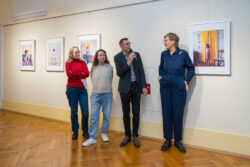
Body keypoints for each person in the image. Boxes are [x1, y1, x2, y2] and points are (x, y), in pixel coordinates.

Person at [159, 33, 195, 153]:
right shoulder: (163, 54)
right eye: (164, 40)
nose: (164, 43)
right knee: (166, 113)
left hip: (178, 88)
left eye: (166, 40)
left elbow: (191, 68)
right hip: (165, 88)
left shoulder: (183, 54)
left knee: (178, 114)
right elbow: (161, 67)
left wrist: (185, 81)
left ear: (173, 41)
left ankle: (178, 141)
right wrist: (160, 77)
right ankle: (168, 140)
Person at [114, 38, 148, 148]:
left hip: (136, 87)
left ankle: (135, 136)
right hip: (124, 88)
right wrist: (128, 62)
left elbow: (141, 71)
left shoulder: (136, 54)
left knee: (136, 113)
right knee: (125, 113)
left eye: (129, 43)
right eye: (126, 44)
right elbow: (119, 73)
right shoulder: (117, 57)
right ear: (121, 46)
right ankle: (127, 135)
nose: (129, 45)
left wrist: (144, 86)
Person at [82, 49, 113, 146]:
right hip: (95, 95)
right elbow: (92, 79)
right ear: (97, 57)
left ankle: (104, 133)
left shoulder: (110, 67)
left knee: (106, 115)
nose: (102, 56)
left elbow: (110, 78)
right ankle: (92, 138)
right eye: (100, 55)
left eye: (104, 55)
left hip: (107, 94)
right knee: (94, 117)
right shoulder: (93, 67)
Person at [65, 46, 90, 140]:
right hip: (71, 89)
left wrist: (75, 75)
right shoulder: (68, 63)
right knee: (74, 112)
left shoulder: (83, 62)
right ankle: (75, 131)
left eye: (78, 52)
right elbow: (69, 74)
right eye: (75, 52)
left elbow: (87, 73)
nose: (77, 54)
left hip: (82, 89)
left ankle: (85, 131)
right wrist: (81, 74)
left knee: (85, 112)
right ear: (71, 53)